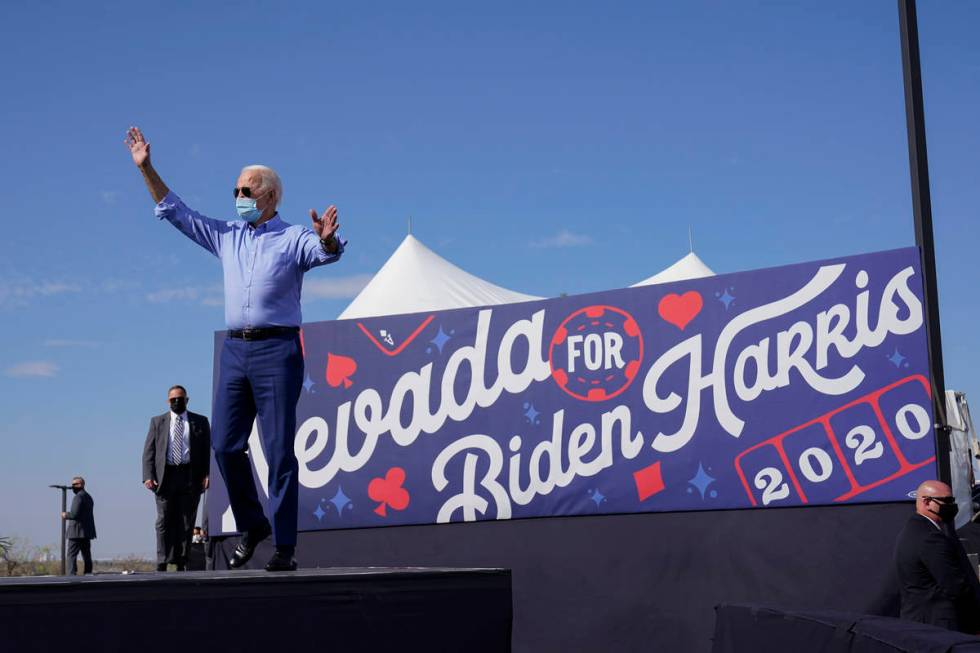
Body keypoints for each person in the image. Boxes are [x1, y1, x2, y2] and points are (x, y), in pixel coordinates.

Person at [125, 126, 345, 571]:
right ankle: (253, 523)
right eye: (235, 189)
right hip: (235, 352)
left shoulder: (293, 238)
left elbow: (328, 252)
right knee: (224, 446)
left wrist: (326, 238)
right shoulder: (227, 235)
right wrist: (146, 168)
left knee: (279, 451)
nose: (237, 196)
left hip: (277, 351)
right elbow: (175, 211)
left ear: (268, 197)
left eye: (245, 189)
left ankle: (284, 547)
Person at [894, 479, 980, 634]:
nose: (952, 505)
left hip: (922, 622)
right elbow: (955, 585)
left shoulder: (914, 530)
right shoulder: (929, 537)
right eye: (946, 501)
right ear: (926, 502)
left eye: (952, 500)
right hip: (938, 625)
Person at [143, 385, 211, 571]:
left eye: (180, 399)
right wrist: (148, 476)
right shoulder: (157, 422)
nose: (176, 402)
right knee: (163, 520)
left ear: (187, 400)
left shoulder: (200, 421)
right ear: (168, 401)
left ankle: (181, 560)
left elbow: (207, 451)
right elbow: (149, 451)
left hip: (190, 476)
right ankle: (162, 560)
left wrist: (208, 474)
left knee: (186, 521)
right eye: (173, 399)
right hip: (165, 477)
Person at [61, 477, 96, 575]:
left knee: (71, 555)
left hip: (76, 532)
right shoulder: (88, 497)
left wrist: (65, 515)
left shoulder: (78, 497)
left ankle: (71, 575)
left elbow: (74, 514)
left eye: (74, 484)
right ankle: (88, 574)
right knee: (86, 555)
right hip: (86, 532)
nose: (72, 487)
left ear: (81, 484)